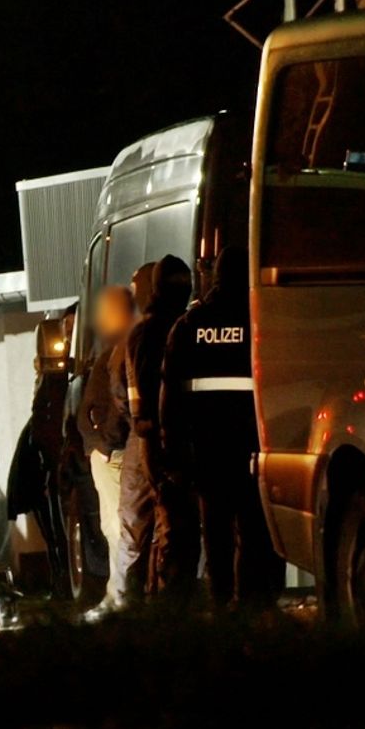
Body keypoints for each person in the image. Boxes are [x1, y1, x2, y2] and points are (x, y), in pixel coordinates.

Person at [164, 245, 282, 612]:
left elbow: (171, 396)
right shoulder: (261, 322)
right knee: (254, 527)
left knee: (215, 530)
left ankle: (220, 601)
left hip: (207, 449)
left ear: (214, 276)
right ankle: (251, 602)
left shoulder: (189, 326)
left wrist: (174, 452)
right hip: (252, 445)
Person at [124, 255, 199, 603]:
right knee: (172, 522)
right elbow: (145, 392)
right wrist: (159, 436)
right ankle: (167, 600)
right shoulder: (154, 330)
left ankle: (166, 595)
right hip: (159, 441)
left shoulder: (173, 325)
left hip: (170, 438)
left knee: (175, 522)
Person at [80, 286, 136, 615]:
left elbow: (118, 403)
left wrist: (103, 443)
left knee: (119, 527)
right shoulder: (113, 349)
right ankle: (119, 593)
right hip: (110, 451)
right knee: (116, 526)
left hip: (115, 452)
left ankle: (120, 597)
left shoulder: (123, 348)